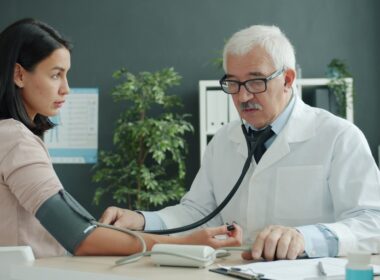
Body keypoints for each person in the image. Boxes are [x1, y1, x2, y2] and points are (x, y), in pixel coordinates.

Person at [100, 25, 380, 261]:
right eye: (233, 83)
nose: (243, 96)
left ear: (288, 79)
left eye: (256, 82)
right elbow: (198, 212)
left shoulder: (338, 137)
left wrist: (304, 238)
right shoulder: (224, 140)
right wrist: (143, 220)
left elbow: (373, 223)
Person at [0, 18, 242, 259]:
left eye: (66, 75)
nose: (66, 88)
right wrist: (183, 243)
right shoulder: (16, 141)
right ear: (19, 75)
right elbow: (79, 236)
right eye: (55, 75)